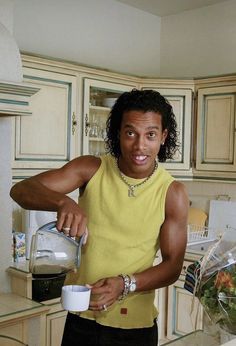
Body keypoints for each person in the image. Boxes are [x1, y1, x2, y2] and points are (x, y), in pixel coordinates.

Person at [10, 89, 189, 346]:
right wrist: (63, 201)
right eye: (130, 133)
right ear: (118, 133)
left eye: (150, 135)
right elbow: (21, 190)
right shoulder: (91, 169)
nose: (139, 145)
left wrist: (124, 284)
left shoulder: (173, 193)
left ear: (163, 137)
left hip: (134, 327)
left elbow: (172, 267)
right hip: (82, 319)